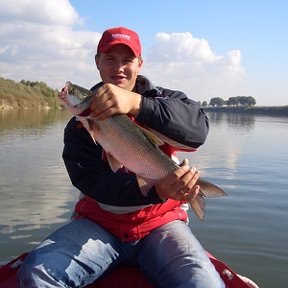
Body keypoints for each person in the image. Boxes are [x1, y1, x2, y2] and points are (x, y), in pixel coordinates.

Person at [18, 27, 224, 288]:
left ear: (140, 63)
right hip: (98, 225)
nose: (119, 68)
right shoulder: (79, 126)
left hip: (162, 225)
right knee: (37, 274)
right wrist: (157, 190)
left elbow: (198, 129)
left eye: (127, 60)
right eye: (110, 59)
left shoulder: (165, 101)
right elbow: (94, 182)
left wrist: (136, 104)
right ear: (98, 63)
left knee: (205, 283)